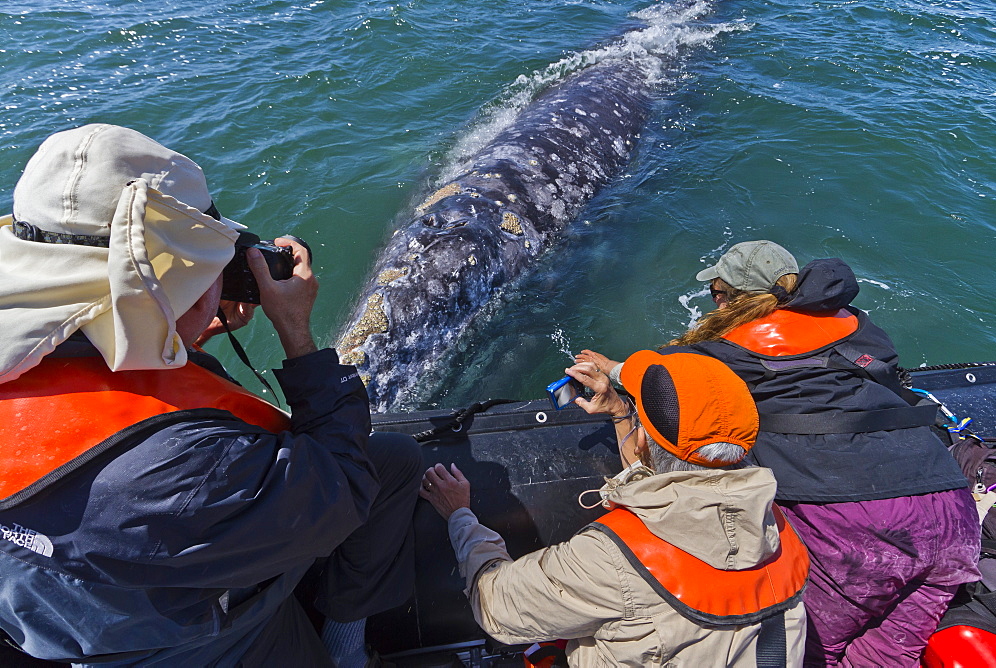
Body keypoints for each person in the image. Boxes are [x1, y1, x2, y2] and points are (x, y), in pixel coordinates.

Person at [0, 124, 421, 667]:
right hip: (171, 641)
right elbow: (339, 491)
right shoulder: (191, 467)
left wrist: (180, 331)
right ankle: (344, 651)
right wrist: (297, 333)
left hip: (43, 613)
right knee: (384, 468)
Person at [579, 240, 981, 667]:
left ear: (724, 298)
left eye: (716, 290)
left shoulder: (719, 353)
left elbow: (662, 381)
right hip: (952, 510)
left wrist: (613, 372)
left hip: (859, 528)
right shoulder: (855, 326)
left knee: (809, 652)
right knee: (888, 655)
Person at [420, 350, 809, 667]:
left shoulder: (614, 557)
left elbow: (496, 608)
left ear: (641, 441)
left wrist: (460, 517)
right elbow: (675, 487)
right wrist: (621, 411)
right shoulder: (778, 530)